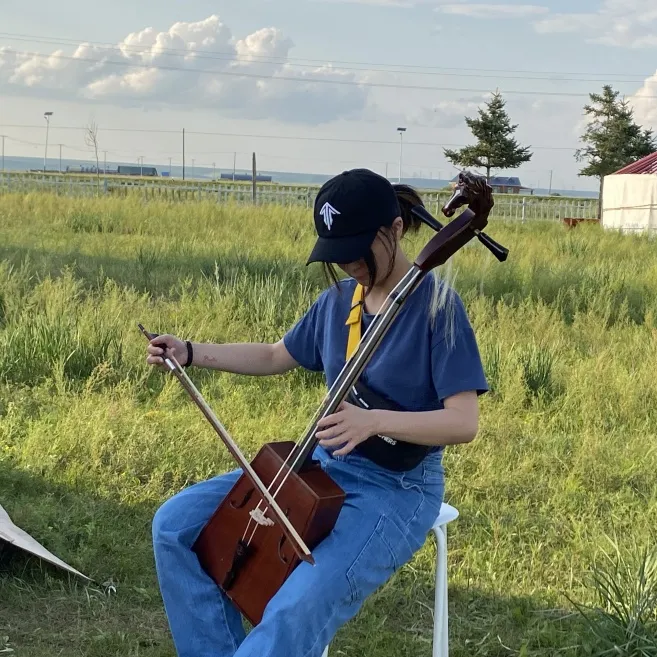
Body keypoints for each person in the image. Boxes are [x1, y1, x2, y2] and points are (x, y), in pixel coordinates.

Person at [147, 168, 489, 657]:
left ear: (394, 230)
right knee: (175, 527)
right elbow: (274, 355)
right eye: (338, 253)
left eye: (357, 250)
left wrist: (374, 421)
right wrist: (191, 352)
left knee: (295, 608)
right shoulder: (338, 302)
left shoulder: (438, 308)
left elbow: (463, 421)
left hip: (397, 488)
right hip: (323, 468)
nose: (348, 263)